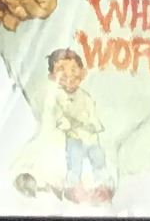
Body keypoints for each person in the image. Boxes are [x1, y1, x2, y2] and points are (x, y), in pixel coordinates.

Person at [46, 48, 111, 204]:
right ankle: (73, 188)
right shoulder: (58, 97)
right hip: (74, 138)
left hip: (90, 137)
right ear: (53, 77)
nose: (69, 76)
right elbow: (58, 116)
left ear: (82, 73)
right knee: (74, 162)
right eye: (62, 72)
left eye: (73, 70)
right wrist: (65, 123)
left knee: (98, 160)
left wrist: (93, 124)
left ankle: (103, 186)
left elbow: (91, 115)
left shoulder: (85, 97)